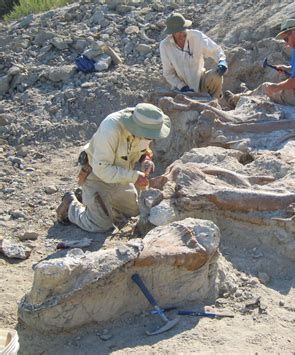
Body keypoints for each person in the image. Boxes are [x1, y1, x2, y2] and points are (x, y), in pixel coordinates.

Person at [56, 103, 171, 232]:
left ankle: (89, 199)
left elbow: (143, 149)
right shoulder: (111, 128)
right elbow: (102, 169)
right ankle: (70, 205)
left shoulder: (145, 127)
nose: (151, 138)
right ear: (137, 128)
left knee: (135, 210)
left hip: (120, 175)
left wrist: (146, 159)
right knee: (99, 224)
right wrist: (134, 176)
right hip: (98, 175)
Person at [225, 18, 295, 109]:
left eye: (286, 39)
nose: (286, 43)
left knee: (265, 87)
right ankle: (242, 96)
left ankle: (234, 100)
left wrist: (276, 87)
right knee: (282, 81)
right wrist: (288, 68)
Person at [159, 12, 228, 99]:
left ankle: (215, 103)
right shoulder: (165, 46)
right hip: (182, 89)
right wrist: (182, 86)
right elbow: (168, 73)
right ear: (172, 33)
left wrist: (222, 60)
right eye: (177, 32)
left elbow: (215, 50)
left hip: (201, 81)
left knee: (215, 77)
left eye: (182, 29)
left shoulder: (196, 36)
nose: (181, 33)